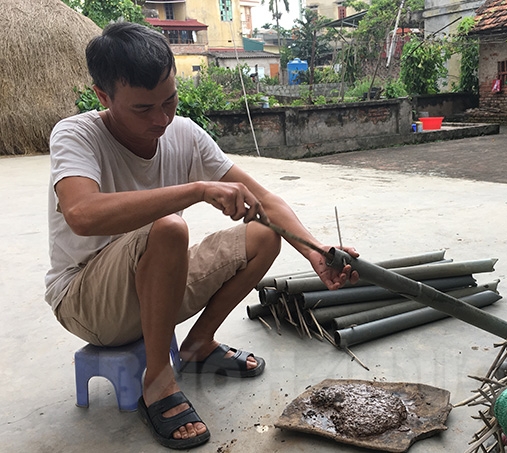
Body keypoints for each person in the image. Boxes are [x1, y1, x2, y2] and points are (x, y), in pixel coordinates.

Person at [46, 22, 358, 450]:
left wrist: (315, 250)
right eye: (143, 108)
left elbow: (264, 198)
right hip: (88, 300)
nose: (161, 118)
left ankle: (197, 344)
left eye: (169, 100)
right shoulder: (76, 134)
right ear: (103, 97)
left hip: (157, 286)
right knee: (170, 227)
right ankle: (157, 379)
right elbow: (81, 214)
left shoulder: (185, 134)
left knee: (263, 234)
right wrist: (196, 190)